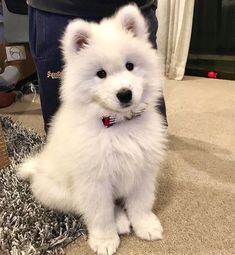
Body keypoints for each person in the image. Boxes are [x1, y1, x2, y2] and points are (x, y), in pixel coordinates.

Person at [27, 0, 167, 132]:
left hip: (133, 2)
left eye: (129, 66)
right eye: (101, 74)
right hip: (57, 7)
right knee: (62, 120)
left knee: (147, 120)